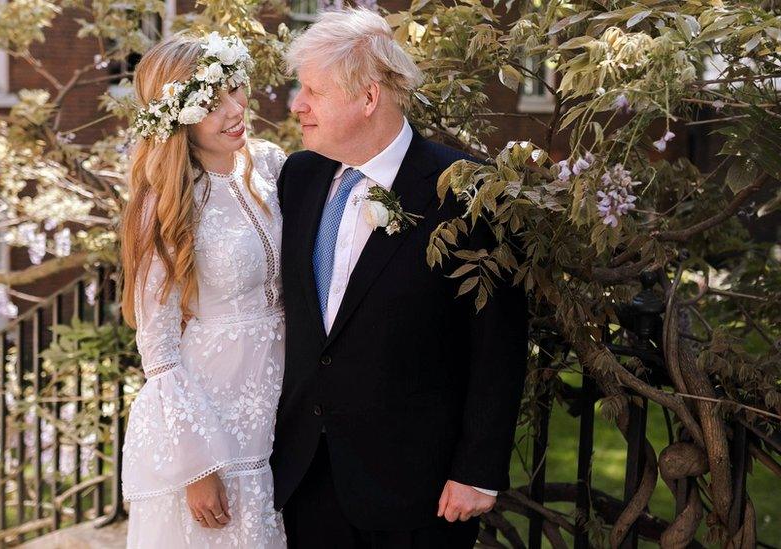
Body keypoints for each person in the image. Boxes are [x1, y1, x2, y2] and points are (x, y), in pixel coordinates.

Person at [271, 9, 530, 548]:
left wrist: (478, 470)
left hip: (419, 489)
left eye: (313, 91)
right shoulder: (298, 177)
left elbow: (498, 343)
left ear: (368, 98)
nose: (298, 104)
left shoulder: (468, 193)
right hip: (306, 476)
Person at [119, 32, 287, 548]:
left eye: (236, 90)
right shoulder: (166, 203)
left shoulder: (271, 164)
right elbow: (161, 349)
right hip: (211, 417)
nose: (236, 109)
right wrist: (196, 466)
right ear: (180, 119)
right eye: (214, 104)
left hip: (281, 401)